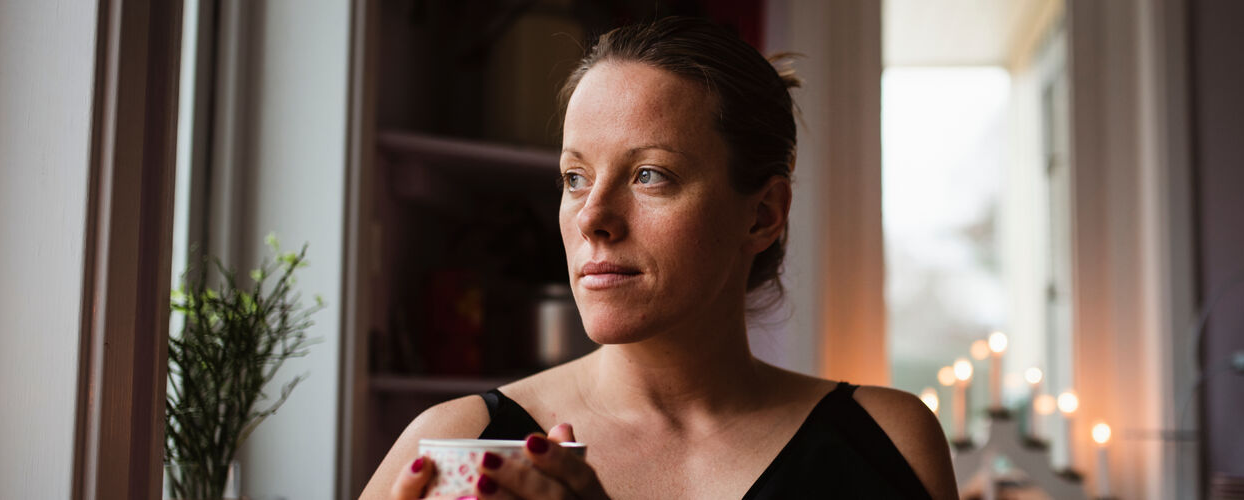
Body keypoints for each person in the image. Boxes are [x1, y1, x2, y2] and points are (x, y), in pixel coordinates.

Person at [362, 16, 958, 500]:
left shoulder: (888, 443)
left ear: (763, 215)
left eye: (650, 175)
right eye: (575, 177)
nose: (592, 217)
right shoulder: (454, 447)